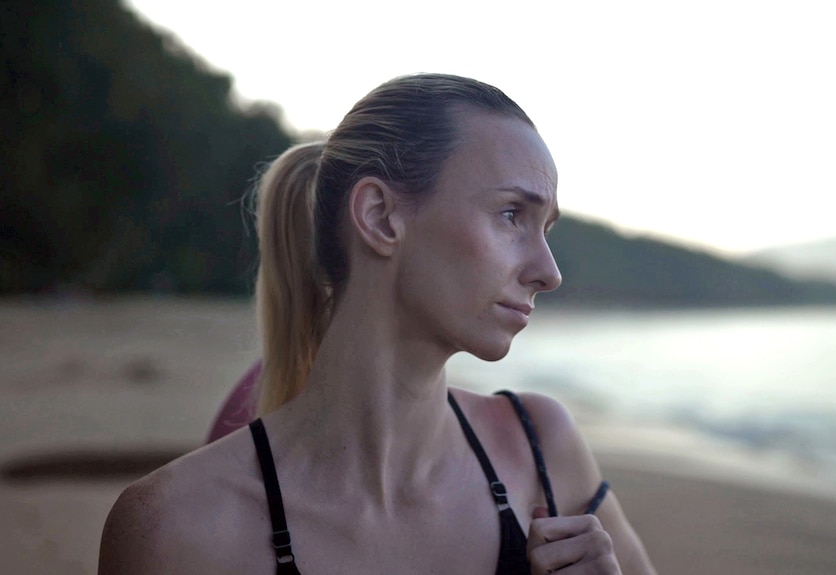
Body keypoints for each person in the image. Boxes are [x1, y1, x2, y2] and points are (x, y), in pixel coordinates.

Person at [99, 73, 657, 574]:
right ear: (379, 217)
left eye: (546, 229)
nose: (548, 272)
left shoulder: (543, 451)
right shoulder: (176, 530)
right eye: (512, 215)